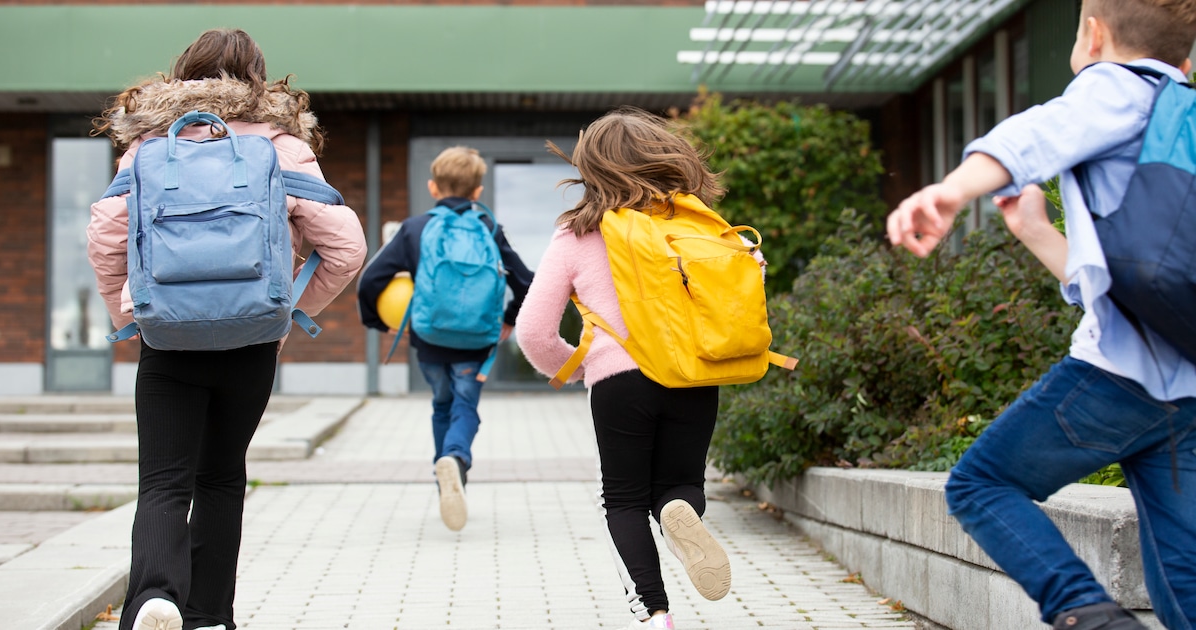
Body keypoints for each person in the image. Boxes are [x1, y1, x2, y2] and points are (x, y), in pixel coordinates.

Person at [887, 2, 1196, 628]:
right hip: (1185, 392)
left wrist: (951, 190)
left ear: (1093, 32)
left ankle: (1088, 615)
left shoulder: (1117, 84)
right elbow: (1135, 276)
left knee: (980, 484)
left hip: (1114, 378)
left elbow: (1036, 134)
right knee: (1181, 574)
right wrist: (1035, 231)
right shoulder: (1179, 115)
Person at [88, 28, 367, 630]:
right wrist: (289, 310)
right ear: (258, 79)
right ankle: (209, 616)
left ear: (183, 73)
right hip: (252, 340)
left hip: (167, 337)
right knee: (221, 476)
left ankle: (153, 600)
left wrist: (128, 313)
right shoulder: (282, 144)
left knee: (164, 480)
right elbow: (346, 246)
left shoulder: (152, 144)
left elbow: (105, 236)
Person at [515, 108, 741, 630]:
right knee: (682, 482)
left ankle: (655, 611)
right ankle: (678, 512)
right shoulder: (699, 226)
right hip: (692, 376)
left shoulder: (577, 233)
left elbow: (534, 330)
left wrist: (575, 369)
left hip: (620, 381)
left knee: (622, 498)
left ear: (594, 168)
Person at [356, 146, 534, 532]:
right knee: (464, 405)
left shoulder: (415, 228)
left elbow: (371, 280)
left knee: (441, 405)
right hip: (476, 341)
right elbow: (527, 282)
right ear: (477, 192)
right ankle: (455, 459)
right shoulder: (488, 228)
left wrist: (376, 321)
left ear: (433, 188)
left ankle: (445, 478)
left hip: (430, 339)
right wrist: (509, 319)